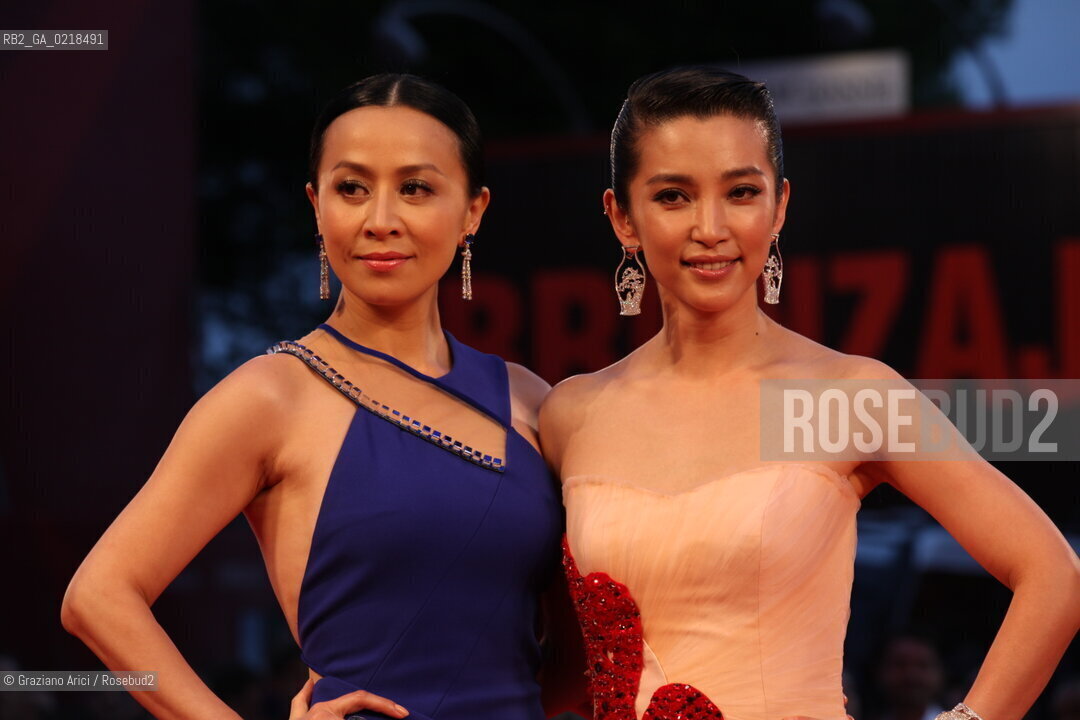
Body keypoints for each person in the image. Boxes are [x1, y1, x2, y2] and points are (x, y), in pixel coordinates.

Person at [538, 66, 1080, 720]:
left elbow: (1054, 577)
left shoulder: (846, 397)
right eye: (674, 196)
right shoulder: (574, 414)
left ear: (780, 206)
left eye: (740, 192)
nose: (711, 227)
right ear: (622, 216)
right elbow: (560, 672)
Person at [61, 73, 565, 720]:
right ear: (316, 205)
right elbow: (97, 596)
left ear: (473, 210)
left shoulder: (530, 400)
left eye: (416, 188)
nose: (381, 220)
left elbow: (566, 651)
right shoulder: (270, 398)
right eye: (351, 188)